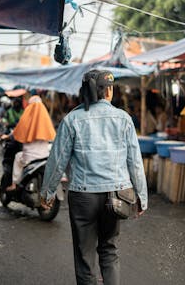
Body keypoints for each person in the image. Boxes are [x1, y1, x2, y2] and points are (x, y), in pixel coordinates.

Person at [40, 69, 148, 285]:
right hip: (117, 195)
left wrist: (47, 192)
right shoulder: (123, 119)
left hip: (83, 197)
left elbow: (57, 160)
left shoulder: (72, 119)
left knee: (85, 256)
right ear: (108, 91)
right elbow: (135, 163)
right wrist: (141, 198)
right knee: (109, 252)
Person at [6, 95, 56, 191]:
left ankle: (14, 184)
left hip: (29, 158)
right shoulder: (45, 119)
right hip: (44, 156)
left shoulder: (26, 117)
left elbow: (17, 132)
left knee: (17, 157)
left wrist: (7, 136)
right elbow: (52, 135)